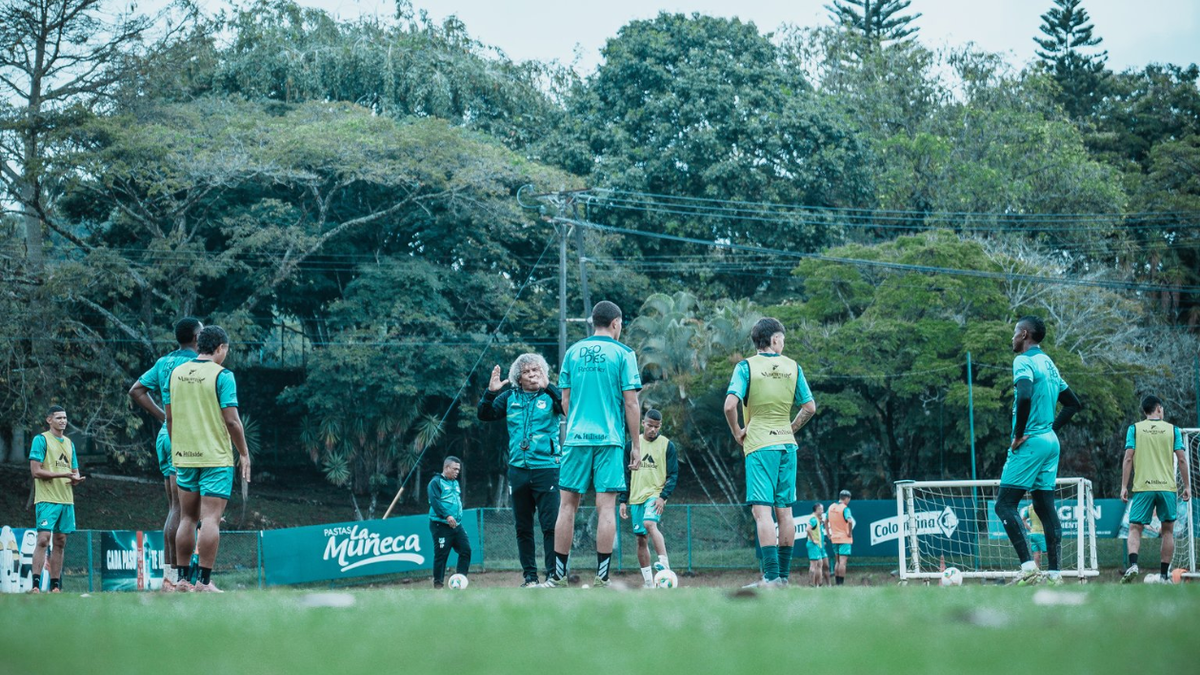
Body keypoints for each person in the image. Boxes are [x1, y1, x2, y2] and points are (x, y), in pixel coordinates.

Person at [541, 301, 642, 588]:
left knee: (566, 506)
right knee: (606, 507)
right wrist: (636, 445)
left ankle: (558, 577)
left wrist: (577, 423)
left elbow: (565, 400)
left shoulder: (572, 352)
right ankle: (602, 578)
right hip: (609, 439)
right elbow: (631, 403)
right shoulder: (624, 353)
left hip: (576, 439)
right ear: (615, 323)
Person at [723, 317, 816, 587]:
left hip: (760, 445)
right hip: (787, 444)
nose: (783, 344)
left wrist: (737, 431)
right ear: (774, 339)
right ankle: (783, 578)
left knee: (762, 512)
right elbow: (809, 407)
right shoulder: (793, 367)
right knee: (784, 511)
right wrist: (791, 428)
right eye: (782, 340)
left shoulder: (746, 367)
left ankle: (771, 577)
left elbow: (729, 406)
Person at [993, 316, 1083, 585]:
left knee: (1004, 505)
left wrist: (1019, 434)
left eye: (1014, 332)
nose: (1012, 338)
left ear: (1024, 334)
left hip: (1030, 441)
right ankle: (1055, 574)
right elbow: (1073, 403)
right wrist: (1050, 429)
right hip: (1050, 442)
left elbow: (1024, 395)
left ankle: (1029, 568)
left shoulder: (1023, 361)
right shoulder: (1049, 364)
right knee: (1044, 506)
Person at [166, 326, 251, 593]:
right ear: (220, 348)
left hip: (184, 456)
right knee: (211, 519)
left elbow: (169, 418)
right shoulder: (222, 375)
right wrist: (244, 453)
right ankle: (203, 582)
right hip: (215, 457)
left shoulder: (176, 373)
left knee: (187, 518)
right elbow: (232, 421)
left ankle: (182, 580)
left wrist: (177, 448)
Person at [128, 317, 202, 592]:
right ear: (196, 337)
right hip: (186, 436)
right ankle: (178, 579)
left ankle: (170, 577)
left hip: (166, 434)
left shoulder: (164, 362)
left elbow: (136, 390)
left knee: (175, 508)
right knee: (185, 512)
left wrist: (163, 417)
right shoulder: (198, 363)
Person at [477, 353, 563, 587]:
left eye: (536, 370)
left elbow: (568, 409)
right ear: (518, 377)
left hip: (547, 468)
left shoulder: (551, 395)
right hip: (518, 470)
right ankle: (530, 577)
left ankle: (554, 575)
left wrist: (549, 386)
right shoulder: (509, 397)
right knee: (523, 527)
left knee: (550, 526)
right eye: (527, 372)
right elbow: (484, 414)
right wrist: (491, 392)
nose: (532, 375)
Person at [1120, 395, 1191, 583]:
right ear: (1159, 408)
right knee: (1167, 531)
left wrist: (1124, 486)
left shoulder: (1135, 429)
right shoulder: (1172, 430)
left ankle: (1133, 564)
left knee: (1135, 528)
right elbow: (1182, 459)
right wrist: (1187, 486)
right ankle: (1164, 575)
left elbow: (1128, 458)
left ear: (1145, 411)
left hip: (1143, 487)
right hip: (1167, 487)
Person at [619, 409, 679, 588]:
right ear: (643, 423)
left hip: (655, 494)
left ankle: (664, 563)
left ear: (660, 426)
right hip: (636, 497)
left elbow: (673, 474)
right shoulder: (631, 446)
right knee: (641, 539)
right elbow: (625, 475)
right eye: (650, 425)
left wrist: (662, 497)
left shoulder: (667, 445)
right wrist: (623, 500)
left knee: (649, 523)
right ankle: (648, 582)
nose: (653, 429)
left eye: (657, 426)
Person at [28, 406, 85, 593]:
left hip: (66, 499)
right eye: (59, 418)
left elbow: (74, 471)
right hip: (47, 498)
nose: (63, 421)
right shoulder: (41, 440)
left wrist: (76, 479)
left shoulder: (69, 443)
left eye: (65, 418)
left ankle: (55, 587)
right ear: (49, 420)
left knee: (60, 541)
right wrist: (62, 474)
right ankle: (35, 586)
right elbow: (36, 471)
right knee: (43, 540)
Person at [428, 456, 472, 588]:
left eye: (458, 469)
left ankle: (460, 581)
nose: (457, 472)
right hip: (440, 525)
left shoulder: (455, 483)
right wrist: (447, 516)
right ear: (446, 468)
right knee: (441, 555)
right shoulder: (435, 482)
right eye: (455, 469)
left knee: (466, 550)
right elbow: (434, 502)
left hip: (456, 525)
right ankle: (438, 586)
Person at [828, 490, 856, 586]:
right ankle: (841, 583)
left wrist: (829, 534)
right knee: (843, 562)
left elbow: (825, 521)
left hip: (834, 538)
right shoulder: (845, 508)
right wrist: (850, 533)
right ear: (847, 498)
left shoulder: (831, 507)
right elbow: (850, 521)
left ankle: (837, 583)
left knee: (837, 562)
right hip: (844, 538)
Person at [1020, 498, 1046, 569]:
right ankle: (1054, 568)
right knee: (1047, 552)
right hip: (1041, 533)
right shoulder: (1042, 505)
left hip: (1032, 533)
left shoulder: (1030, 507)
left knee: (1036, 553)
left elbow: (1023, 520)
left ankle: (1037, 570)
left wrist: (1030, 529)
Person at [806, 503, 828, 587]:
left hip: (816, 545)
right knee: (814, 565)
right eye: (821, 509)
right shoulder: (813, 519)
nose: (822, 511)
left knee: (819, 564)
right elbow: (808, 529)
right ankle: (811, 583)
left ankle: (817, 584)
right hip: (813, 545)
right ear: (817, 509)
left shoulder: (816, 519)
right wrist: (813, 540)